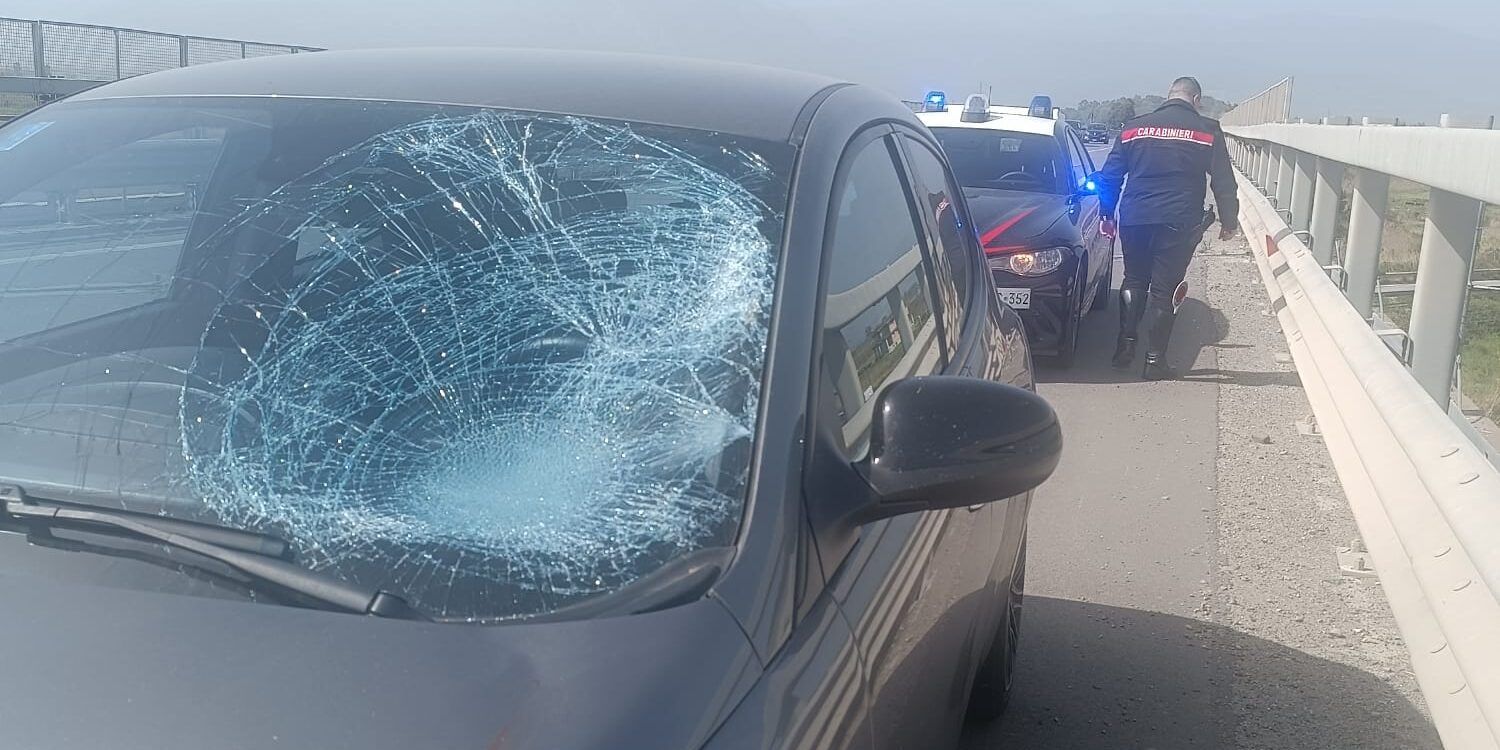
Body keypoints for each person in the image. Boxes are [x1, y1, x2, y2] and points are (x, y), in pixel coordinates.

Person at [1095, 76, 1238, 380]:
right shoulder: (1207, 130)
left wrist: (1107, 213)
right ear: (1196, 99)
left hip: (1135, 216)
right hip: (1179, 219)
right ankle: (1154, 360)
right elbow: (1223, 181)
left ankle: (1125, 347)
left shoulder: (1134, 127)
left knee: (1134, 278)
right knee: (1166, 289)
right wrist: (1229, 220)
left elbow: (1109, 176)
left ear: (1169, 95)